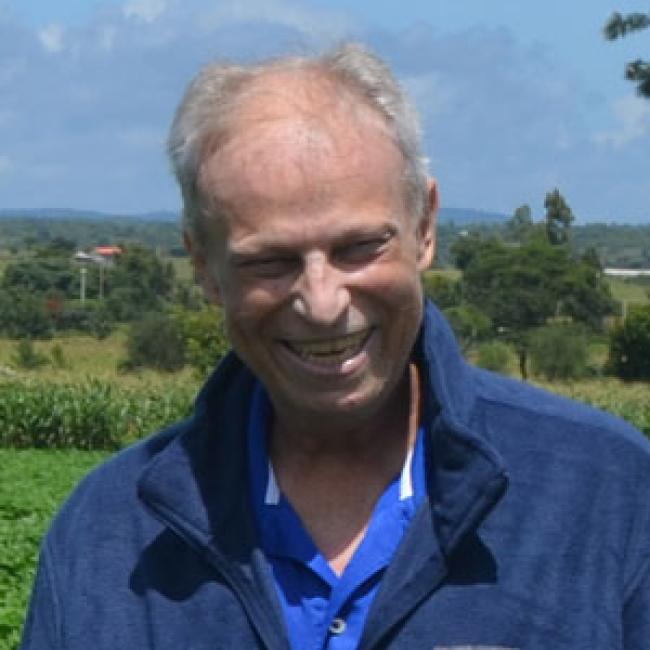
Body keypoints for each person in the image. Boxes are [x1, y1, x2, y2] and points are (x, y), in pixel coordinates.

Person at [21, 43, 650, 650]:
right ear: (204, 267)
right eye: (270, 261)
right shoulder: (107, 536)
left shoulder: (609, 494)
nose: (322, 304)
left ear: (425, 227)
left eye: (357, 248)